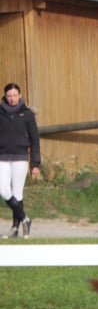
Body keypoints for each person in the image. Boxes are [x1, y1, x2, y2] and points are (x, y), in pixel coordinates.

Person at [0, 83, 41, 238]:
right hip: (2, 157)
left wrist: (35, 163)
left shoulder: (27, 114)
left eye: (15, 95)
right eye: (9, 95)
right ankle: (25, 219)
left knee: (17, 193)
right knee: (3, 189)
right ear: (5, 96)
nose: (12, 98)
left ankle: (15, 229)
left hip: (20, 158)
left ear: (20, 95)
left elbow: (34, 139)